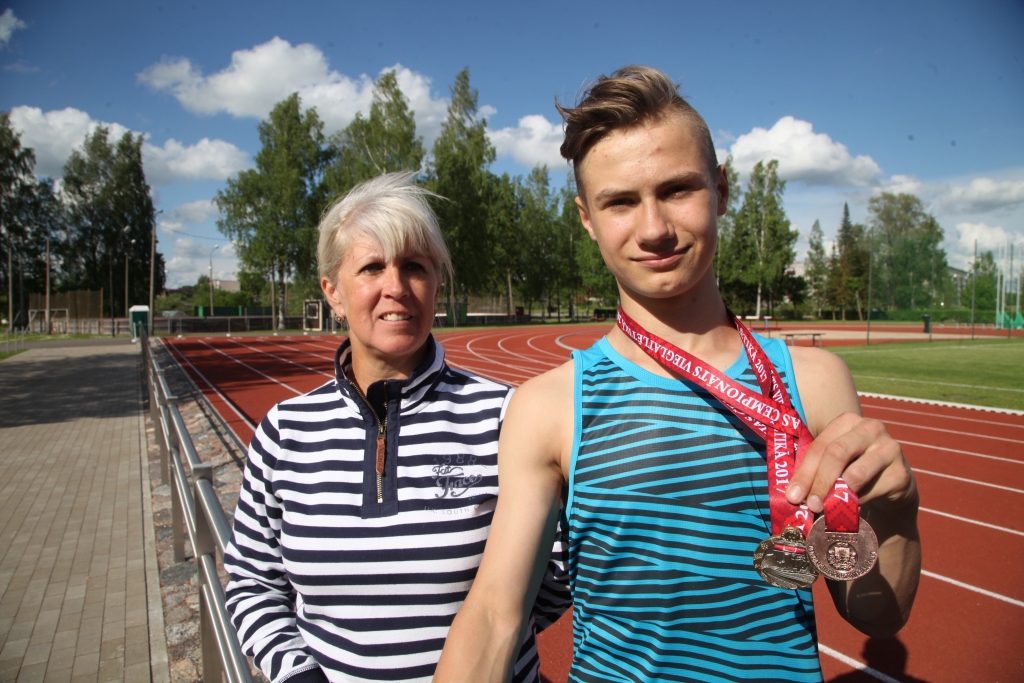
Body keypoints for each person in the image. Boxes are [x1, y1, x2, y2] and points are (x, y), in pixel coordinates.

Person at [435, 66, 921, 682]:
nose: (654, 228)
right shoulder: (550, 405)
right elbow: (494, 617)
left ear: (720, 189)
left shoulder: (816, 382)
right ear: (586, 217)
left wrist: (897, 512)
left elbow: (878, 615)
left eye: (677, 190)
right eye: (620, 201)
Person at [223, 172, 568, 683]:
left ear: (436, 284)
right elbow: (251, 582)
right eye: (371, 267)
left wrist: (500, 650)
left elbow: (556, 575)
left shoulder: (506, 417)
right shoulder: (284, 433)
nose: (396, 288)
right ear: (333, 293)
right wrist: (298, 674)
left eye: (414, 267)